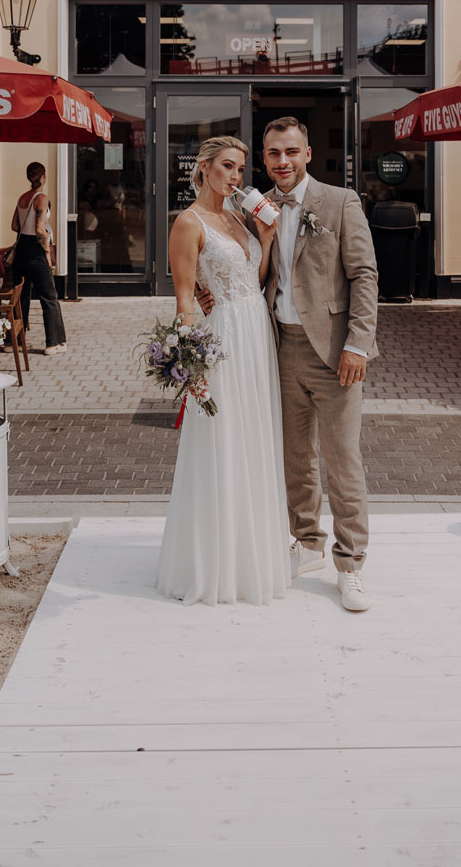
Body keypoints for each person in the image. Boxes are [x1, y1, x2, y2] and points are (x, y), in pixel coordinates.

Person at [156, 135, 290, 607]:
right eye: (228, 167)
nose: (236, 176)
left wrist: (267, 238)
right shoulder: (187, 223)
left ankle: (252, 557)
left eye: (240, 168)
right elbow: (186, 299)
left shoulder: (237, 217)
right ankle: (214, 564)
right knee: (223, 438)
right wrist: (189, 362)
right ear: (204, 166)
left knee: (253, 436)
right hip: (226, 340)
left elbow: (251, 280)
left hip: (256, 334)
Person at [261, 117, 378, 613]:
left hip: (334, 353)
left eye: (290, 152)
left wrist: (358, 344)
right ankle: (305, 542)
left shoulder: (340, 201)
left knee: (342, 459)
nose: (281, 162)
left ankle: (350, 564)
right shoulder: (258, 206)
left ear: (307, 153)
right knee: (295, 457)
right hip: (279, 347)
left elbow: (365, 275)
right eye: (272, 154)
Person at [11, 162, 67, 356]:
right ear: (43, 177)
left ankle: (14, 343)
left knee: (21, 297)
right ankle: (55, 343)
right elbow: (39, 229)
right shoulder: (42, 198)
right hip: (36, 250)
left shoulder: (22, 198)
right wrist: (46, 252)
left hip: (21, 252)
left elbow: (14, 225)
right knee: (49, 297)